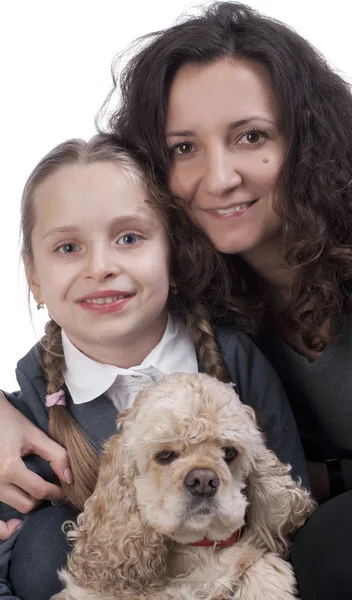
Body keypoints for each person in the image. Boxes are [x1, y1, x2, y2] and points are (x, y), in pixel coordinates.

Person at [1, 3, 352, 598]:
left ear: (310, 143)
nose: (219, 177)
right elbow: (78, 226)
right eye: (183, 147)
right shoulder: (208, 282)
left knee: (342, 548)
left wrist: (337, 480)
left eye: (250, 136)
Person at [0, 133, 308, 600]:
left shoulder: (236, 360)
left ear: (176, 257)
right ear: (34, 278)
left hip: (233, 579)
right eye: (68, 248)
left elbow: (286, 506)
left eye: (129, 238)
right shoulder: (28, 415)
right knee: (45, 549)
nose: (100, 266)